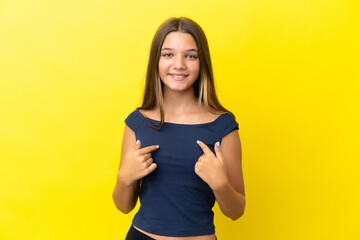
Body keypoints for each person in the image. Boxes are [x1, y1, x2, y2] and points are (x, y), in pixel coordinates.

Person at [112, 17, 245, 240]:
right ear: (156, 60)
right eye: (168, 54)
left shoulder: (223, 126)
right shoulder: (137, 122)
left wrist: (220, 183)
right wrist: (124, 177)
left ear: (202, 63)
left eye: (190, 56)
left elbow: (236, 211)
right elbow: (123, 206)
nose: (179, 64)